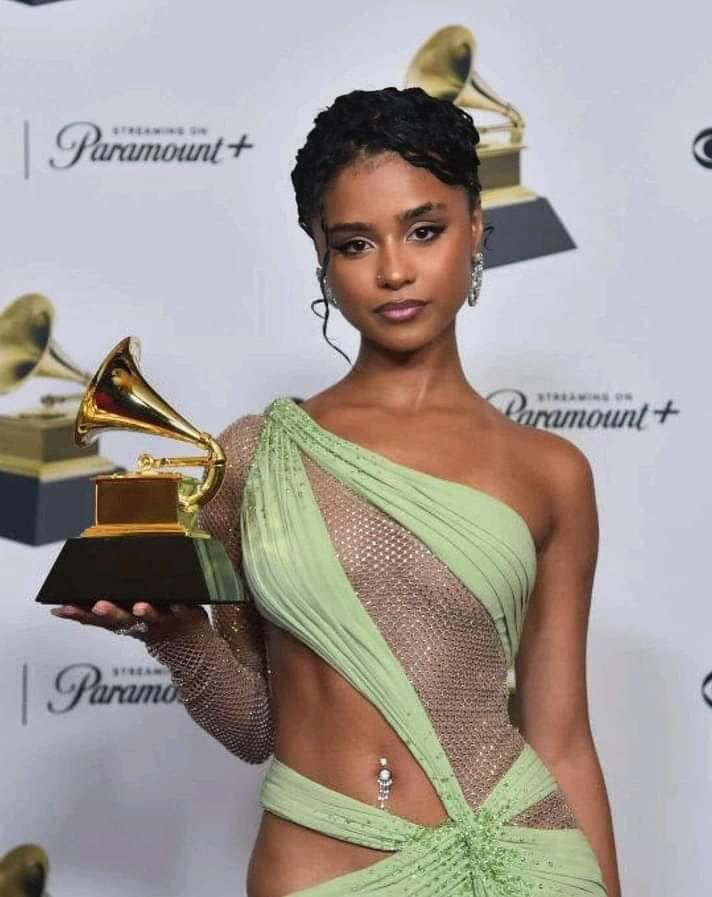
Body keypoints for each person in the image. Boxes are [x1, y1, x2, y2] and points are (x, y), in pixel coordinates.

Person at [50, 86, 622, 897]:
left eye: (424, 230)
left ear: (476, 226)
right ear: (319, 253)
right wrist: (176, 636)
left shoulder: (551, 471)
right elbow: (256, 727)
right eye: (356, 243)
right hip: (318, 871)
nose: (394, 270)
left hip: (523, 862)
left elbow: (563, 740)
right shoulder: (255, 457)